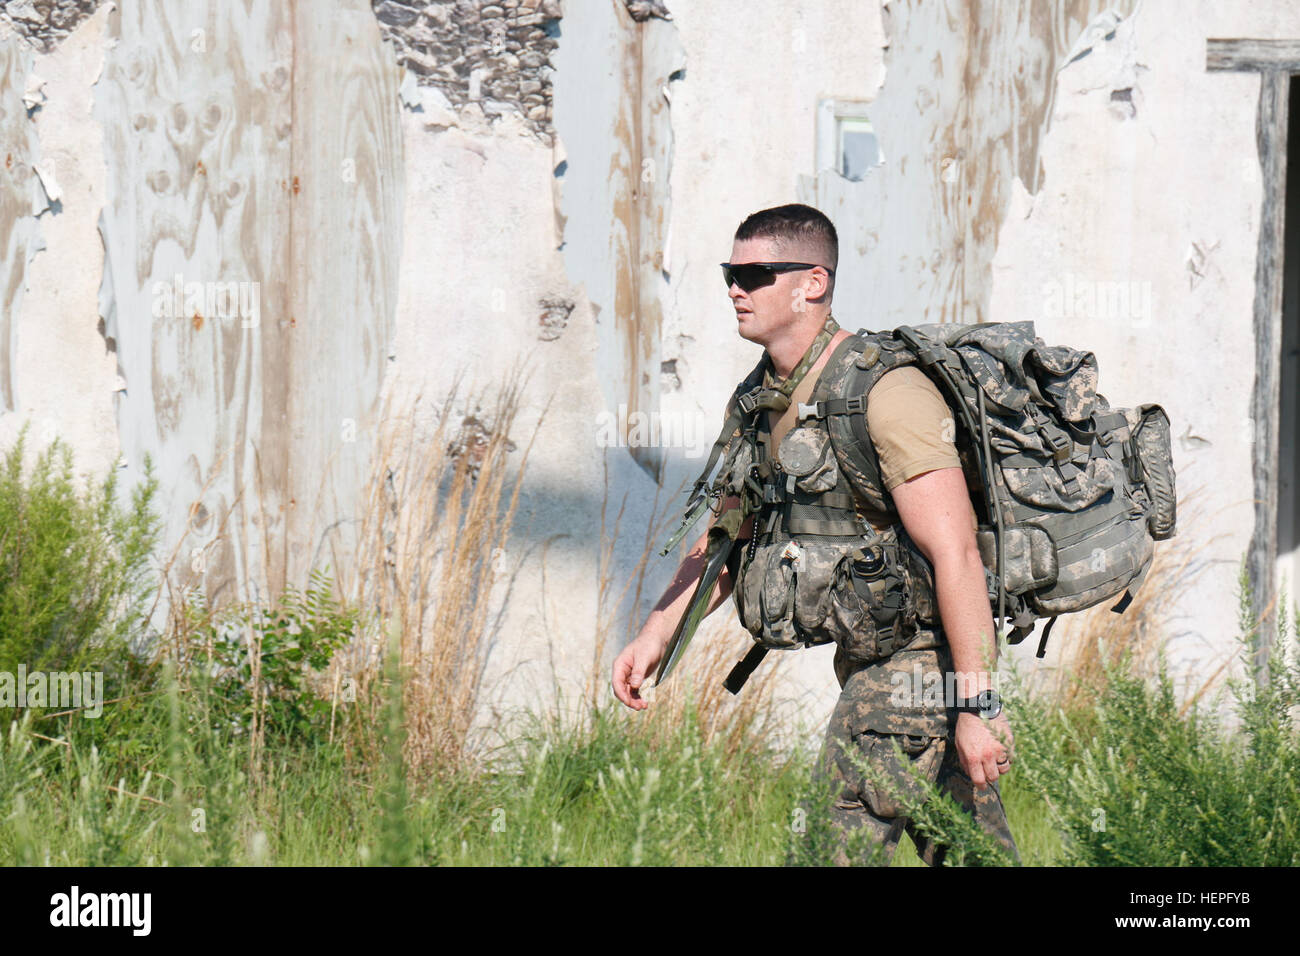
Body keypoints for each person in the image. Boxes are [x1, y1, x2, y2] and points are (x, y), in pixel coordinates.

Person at [611, 203, 1018, 866]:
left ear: (813, 283)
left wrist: (977, 702)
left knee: (826, 851)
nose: (736, 289)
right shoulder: (761, 397)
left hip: (915, 673)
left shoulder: (887, 392)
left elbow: (958, 553)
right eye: (729, 273)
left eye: (755, 272)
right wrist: (655, 635)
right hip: (872, 666)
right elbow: (725, 536)